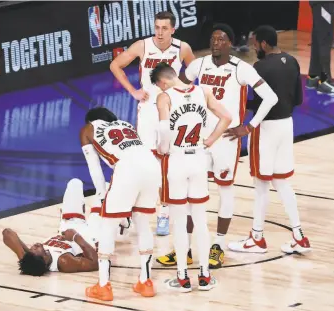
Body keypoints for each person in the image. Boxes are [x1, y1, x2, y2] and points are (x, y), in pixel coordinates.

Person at [156, 23, 278, 269]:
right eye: (213, 39)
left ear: (230, 43)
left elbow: (271, 97)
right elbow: (178, 90)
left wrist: (250, 126)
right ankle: (186, 248)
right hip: (199, 140)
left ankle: (218, 246)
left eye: (221, 39)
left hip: (226, 140)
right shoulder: (198, 65)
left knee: (224, 190)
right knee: (191, 195)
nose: (215, 43)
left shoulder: (241, 68)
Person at [110, 11, 196, 236]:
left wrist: (183, 90)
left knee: (169, 164)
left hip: (172, 111)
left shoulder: (182, 48)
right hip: (148, 112)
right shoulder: (142, 46)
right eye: (157, 27)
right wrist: (132, 91)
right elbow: (115, 65)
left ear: (173, 30)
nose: (159, 32)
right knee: (146, 163)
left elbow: (196, 71)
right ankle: (130, 211)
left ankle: (164, 213)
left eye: (164, 28)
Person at [227, 25, 311, 254]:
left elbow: (259, 101)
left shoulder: (260, 67)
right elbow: (298, 99)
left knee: (261, 185)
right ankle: (299, 235)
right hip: (287, 126)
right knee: (282, 182)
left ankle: (256, 238)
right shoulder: (292, 61)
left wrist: (243, 113)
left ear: (263, 43)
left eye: (255, 43)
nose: (254, 47)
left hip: (266, 129)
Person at [151, 63, 232, 292]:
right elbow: (226, 116)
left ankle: (183, 278)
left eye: (158, 85)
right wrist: (210, 140)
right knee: (200, 221)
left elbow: (165, 129)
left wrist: (163, 148)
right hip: (198, 159)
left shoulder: (165, 97)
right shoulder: (203, 91)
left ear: (163, 82)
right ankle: (205, 275)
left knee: (179, 221)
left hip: (177, 160)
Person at [80, 107, 161, 301]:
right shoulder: (126, 124)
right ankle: (146, 282)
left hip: (127, 170)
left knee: (108, 226)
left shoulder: (87, 129)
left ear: (91, 120)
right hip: (152, 167)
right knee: (143, 223)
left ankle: (103, 286)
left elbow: (95, 168)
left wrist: (102, 196)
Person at [2, 178, 99, 275]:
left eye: (31, 250)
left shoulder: (32, 258)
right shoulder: (64, 262)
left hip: (70, 226)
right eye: (35, 250)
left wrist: (23, 257)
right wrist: (76, 237)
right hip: (89, 237)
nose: (33, 247)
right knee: (105, 190)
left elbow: (7, 233)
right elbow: (94, 263)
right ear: (44, 259)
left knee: (74, 183)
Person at [306, 1, 334, 95]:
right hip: (324, 3)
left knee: (318, 39)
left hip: (320, 3)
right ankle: (325, 81)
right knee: (325, 39)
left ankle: (314, 77)